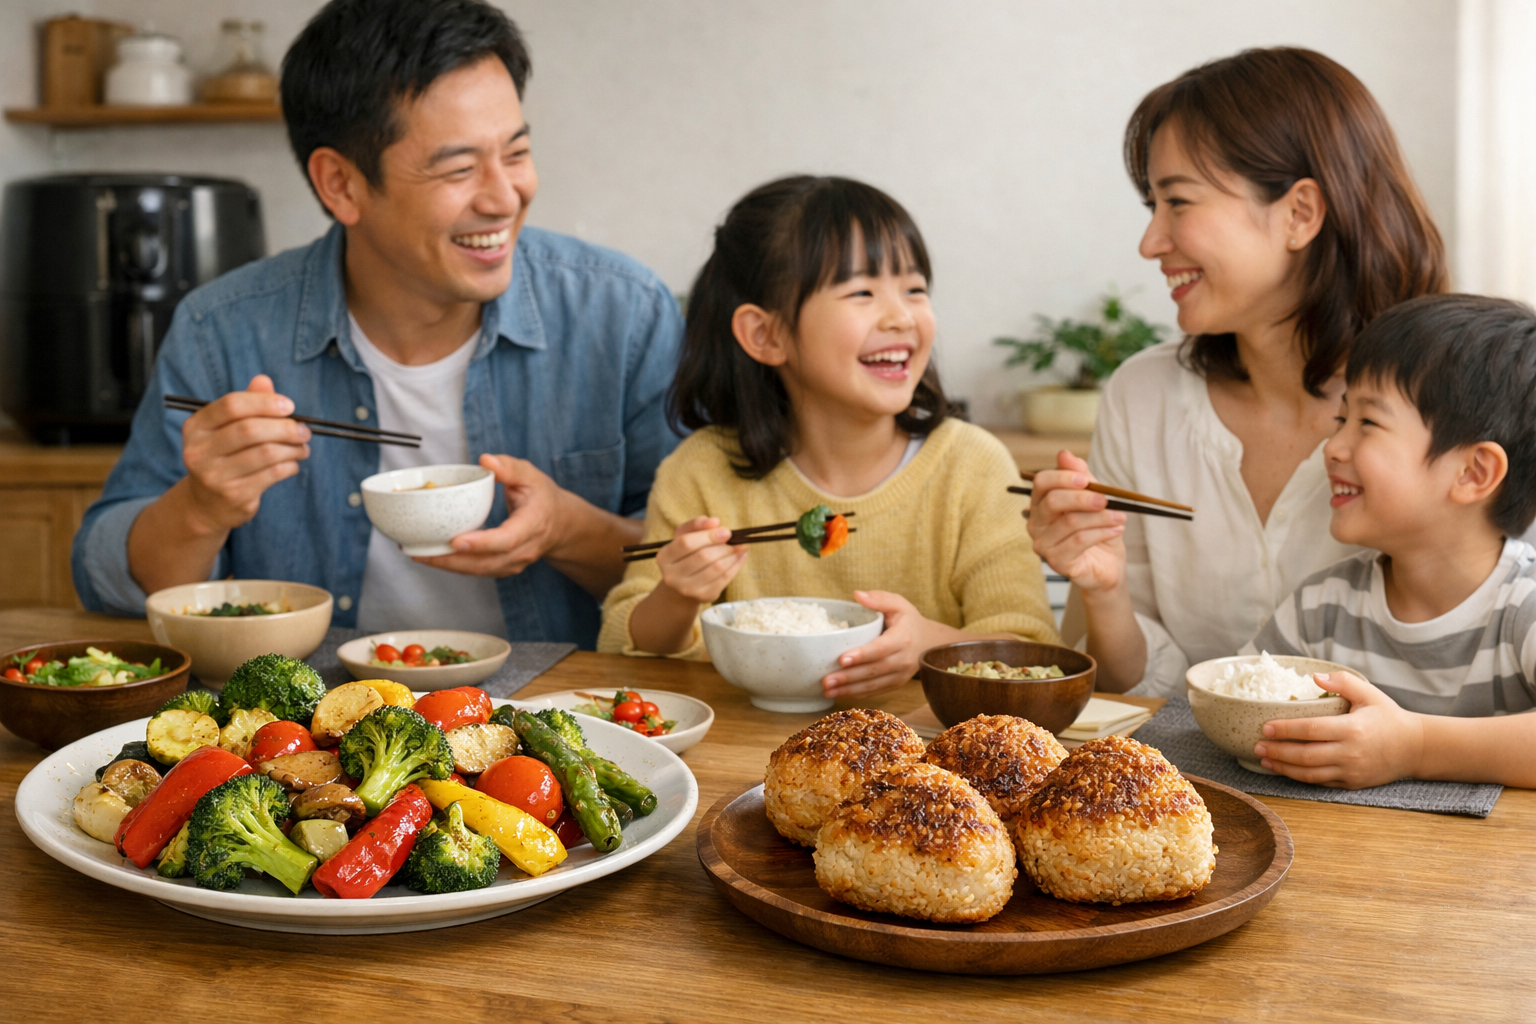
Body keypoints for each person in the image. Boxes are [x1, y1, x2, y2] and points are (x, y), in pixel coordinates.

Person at [71, 0, 684, 647]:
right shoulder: (223, 329)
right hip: (304, 721)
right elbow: (105, 576)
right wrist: (200, 510)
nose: (503, 197)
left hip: (562, 721)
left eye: (516, 152)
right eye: (457, 168)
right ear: (340, 184)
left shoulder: (622, 313)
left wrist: (563, 529)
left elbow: (708, 563)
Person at [1027, 47, 1447, 695]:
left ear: (1299, 213)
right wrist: (1101, 589)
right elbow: (1112, 687)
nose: (1150, 243)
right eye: (1151, 207)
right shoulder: (1145, 397)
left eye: (1179, 203)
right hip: (1191, 783)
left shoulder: (1459, 390)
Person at [597, 176, 1058, 697]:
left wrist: (927, 645)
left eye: (915, 289)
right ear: (765, 335)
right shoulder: (701, 471)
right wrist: (678, 594)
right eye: (862, 292)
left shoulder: (972, 466)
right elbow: (625, 643)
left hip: (928, 765)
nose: (901, 316)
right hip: (735, 756)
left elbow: (1029, 647)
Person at [1239, 295, 1536, 789]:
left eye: (1368, 423)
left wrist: (1414, 746)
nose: (1332, 447)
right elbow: (1239, 704)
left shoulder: (1524, 607)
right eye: (1342, 419)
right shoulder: (1322, 609)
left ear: (1473, 472)